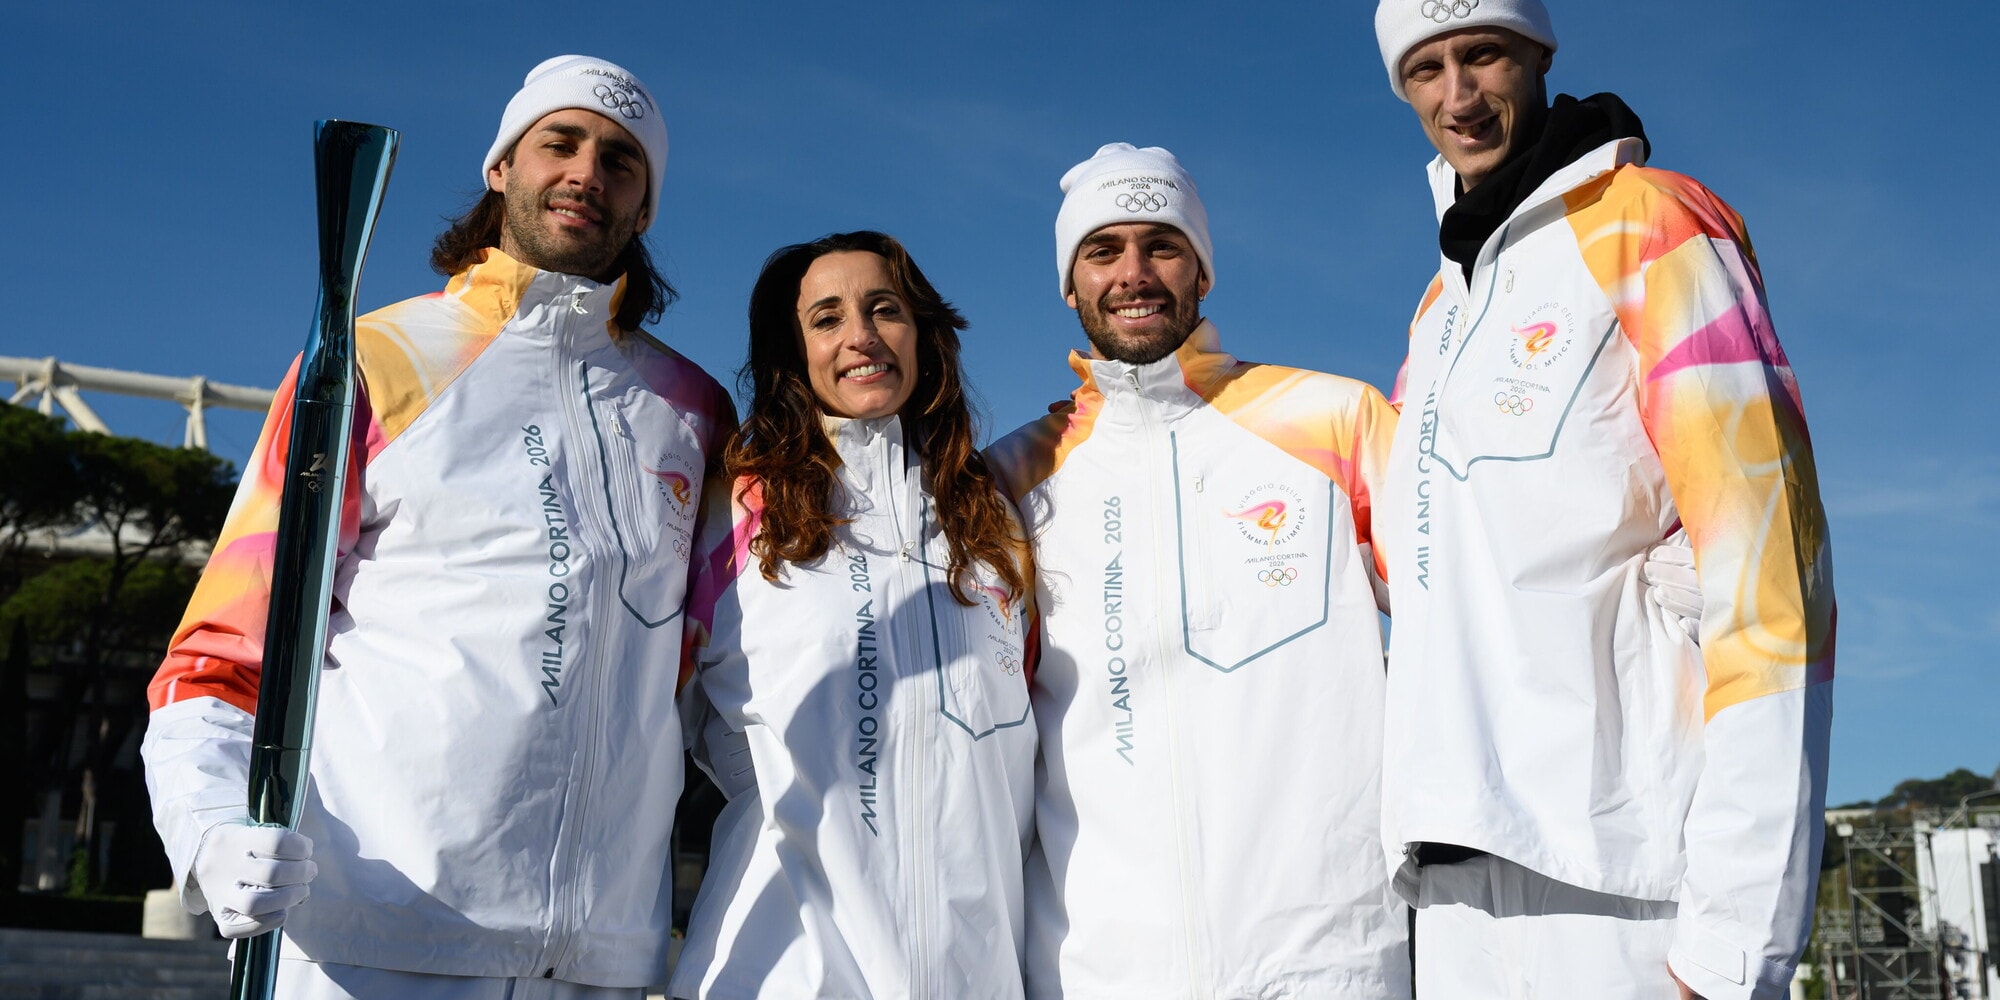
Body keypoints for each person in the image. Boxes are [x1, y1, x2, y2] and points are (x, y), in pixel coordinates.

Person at [142, 55, 734, 998]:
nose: (588, 171)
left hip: (601, 962)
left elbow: (723, 681)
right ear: (503, 167)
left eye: (623, 160)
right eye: (561, 142)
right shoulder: (369, 359)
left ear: (646, 207)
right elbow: (222, 653)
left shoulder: (693, 411)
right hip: (373, 941)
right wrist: (210, 822)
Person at [1369, 3, 1836, 998]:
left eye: (1482, 54)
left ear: (1537, 54)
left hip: (1618, 880)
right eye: (1425, 69)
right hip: (1454, 887)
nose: (1457, 95)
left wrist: (1735, 937)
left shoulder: (1651, 224)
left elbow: (1770, 571)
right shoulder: (1432, 314)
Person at [986, 143, 1412, 999]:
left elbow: (1470, 622)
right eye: (1103, 252)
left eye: (1163, 246)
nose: (1134, 273)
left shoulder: (1335, 420)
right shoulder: (1013, 479)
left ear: (1203, 274)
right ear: (1070, 286)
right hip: (1098, 967)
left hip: (1329, 960)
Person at [668, 232, 1037, 999]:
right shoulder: (729, 510)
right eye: (827, 319)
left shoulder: (995, 525)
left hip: (977, 974)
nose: (862, 336)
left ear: (924, 334)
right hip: (783, 969)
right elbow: (645, 727)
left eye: (884, 309)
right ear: (793, 352)